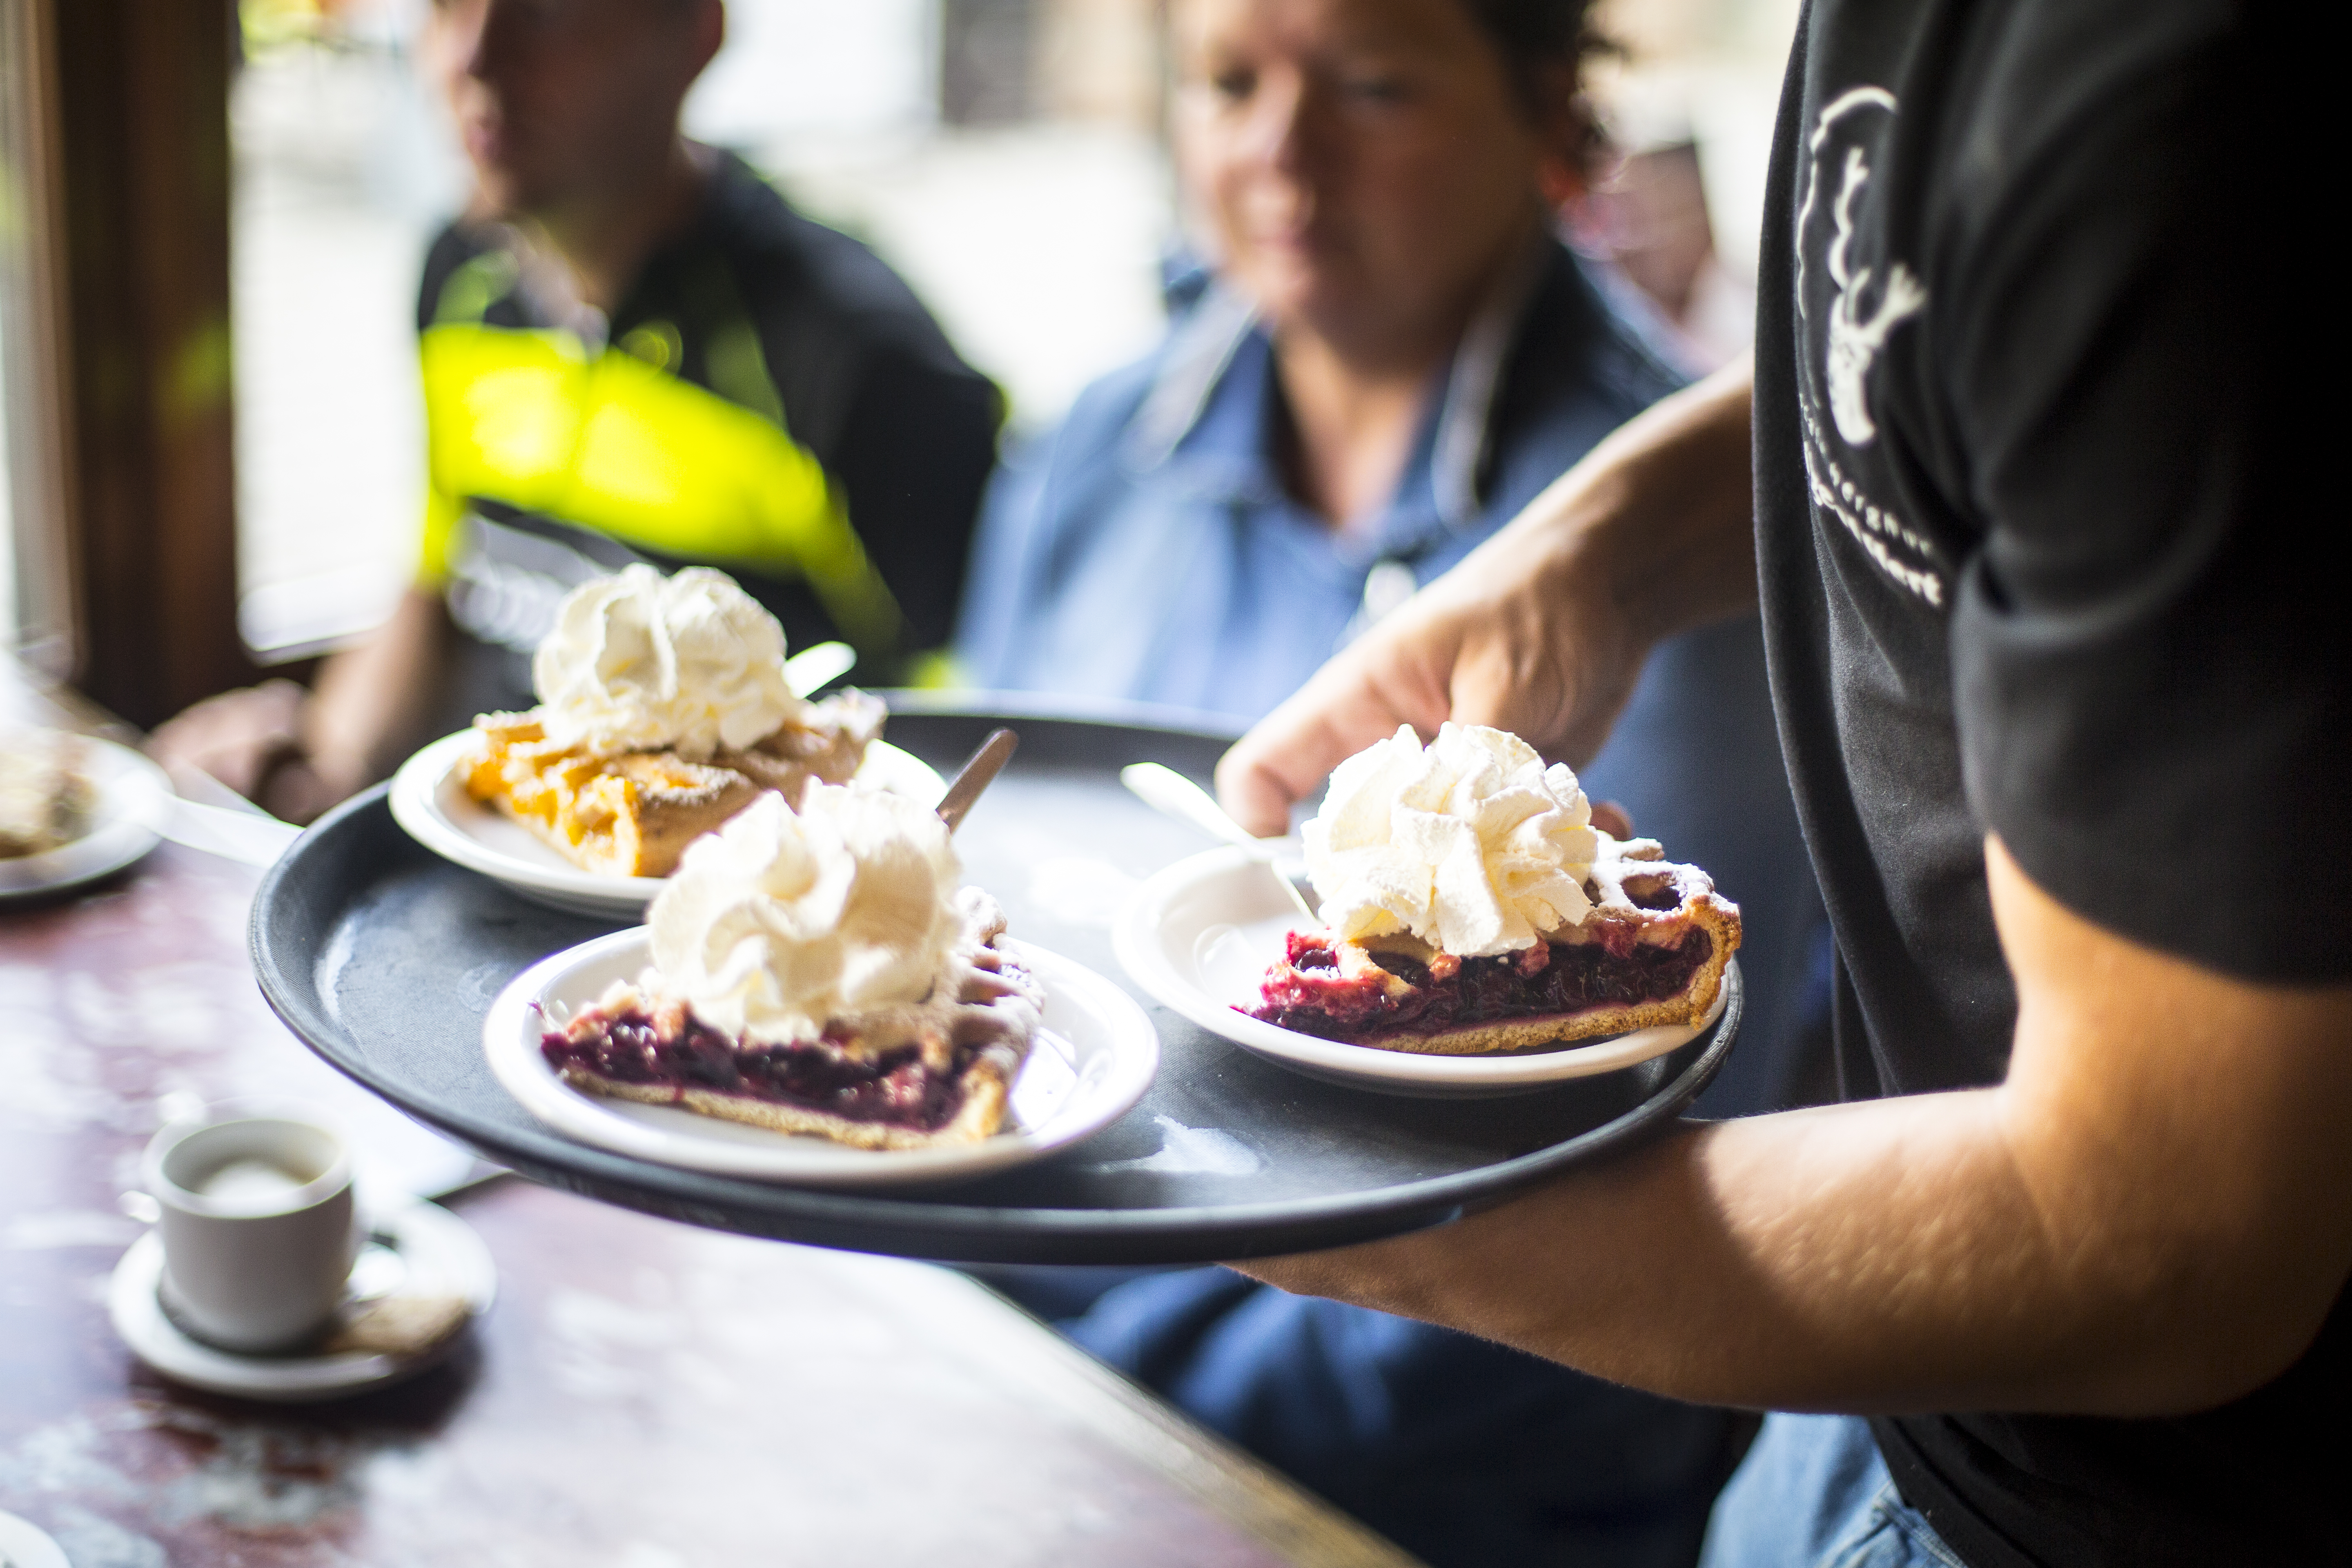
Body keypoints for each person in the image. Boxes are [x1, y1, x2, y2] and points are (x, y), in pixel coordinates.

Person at [1212, 1, 2342, 1563]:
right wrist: (1599, 550)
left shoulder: (2161, 103)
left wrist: (1401, 1232)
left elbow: (2179, 1239)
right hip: (1873, 1398)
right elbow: (1950, 357)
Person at [960, 0, 1828, 1562]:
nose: (1281, 152)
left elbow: (1632, 1235)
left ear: (1552, 114)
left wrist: (1075, 1412)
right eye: (1229, 83)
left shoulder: (1693, 580)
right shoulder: (1092, 458)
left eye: (1372, 87)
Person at [155, 0, 999, 820]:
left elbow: (965, 746)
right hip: (495, 849)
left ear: (696, 33)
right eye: (446, 7)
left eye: (545, 11)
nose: (471, 58)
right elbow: (441, 579)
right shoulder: (460, 275)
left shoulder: (854, 355)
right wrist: (316, 768)